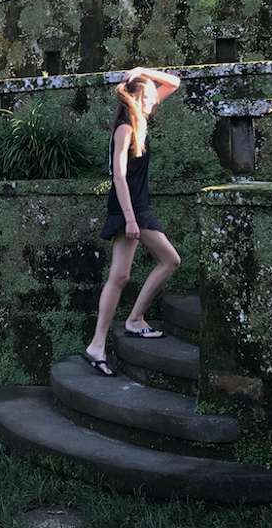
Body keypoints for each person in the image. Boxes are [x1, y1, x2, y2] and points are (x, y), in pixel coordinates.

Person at [83, 66, 182, 377]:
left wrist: (140, 70)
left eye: (154, 98)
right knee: (170, 260)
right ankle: (131, 323)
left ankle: (101, 342)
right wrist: (129, 218)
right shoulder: (125, 129)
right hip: (131, 208)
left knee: (121, 276)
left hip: (135, 208)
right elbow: (119, 176)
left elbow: (174, 83)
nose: (154, 103)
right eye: (149, 98)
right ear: (136, 99)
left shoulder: (141, 121)